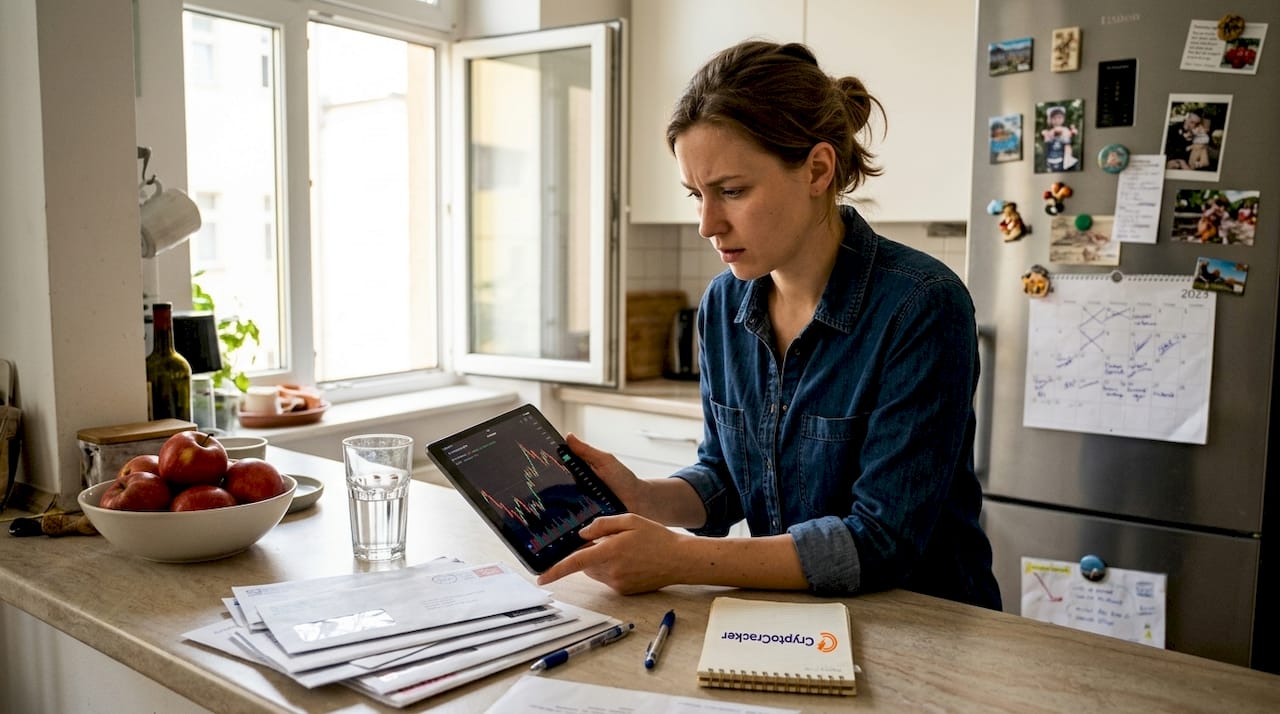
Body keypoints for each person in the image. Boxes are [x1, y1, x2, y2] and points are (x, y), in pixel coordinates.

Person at [537, 40, 1002, 610]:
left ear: (817, 170)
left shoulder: (922, 305)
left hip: (927, 625)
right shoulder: (722, 305)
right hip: (793, 622)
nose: (708, 223)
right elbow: (727, 476)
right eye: (697, 195)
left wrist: (679, 559)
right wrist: (641, 496)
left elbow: (883, 539)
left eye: (731, 191)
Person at [1041, 106, 1078, 171]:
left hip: (1064, 158)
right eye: (1054, 118)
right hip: (1053, 158)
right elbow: (1053, 133)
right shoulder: (1049, 131)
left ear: (1063, 119)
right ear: (1050, 120)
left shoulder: (1065, 129)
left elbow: (1070, 134)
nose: (1057, 120)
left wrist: (1073, 132)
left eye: (1059, 117)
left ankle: (1068, 159)